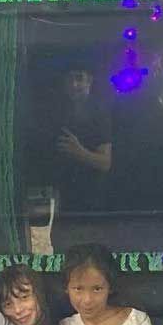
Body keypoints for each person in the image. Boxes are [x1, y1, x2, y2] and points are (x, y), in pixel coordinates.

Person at [49, 65, 113, 215]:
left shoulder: (100, 112)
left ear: (89, 80)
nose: (74, 84)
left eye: (79, 78)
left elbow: (105, 163)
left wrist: (79, 152)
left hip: (92, 204)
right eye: (69, 79)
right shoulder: (59, 111)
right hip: (64, 203)